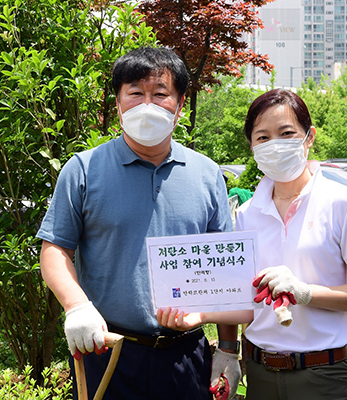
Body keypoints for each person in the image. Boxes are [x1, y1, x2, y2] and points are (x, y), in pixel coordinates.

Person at [37, 46, 239, 400]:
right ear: (117, 103)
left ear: (179, 106)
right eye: (135, 93)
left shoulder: (207, 174)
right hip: (107, 349)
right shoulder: (84, 169)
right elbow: (55, 248)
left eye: (160, 94)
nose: (147, 105)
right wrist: (76, 305)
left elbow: (222, 270)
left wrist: (227, 347)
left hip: (185, 354)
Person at [158, 88, 347, 400]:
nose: (274, 144)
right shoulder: (249, 213)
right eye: (262, 137)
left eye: (287, 133)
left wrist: (305, 292)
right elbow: (249, 303)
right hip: (261, 373)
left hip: (323, 375)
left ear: (310, 137)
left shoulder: (343, 203)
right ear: (251, 146)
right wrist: (202, 316)